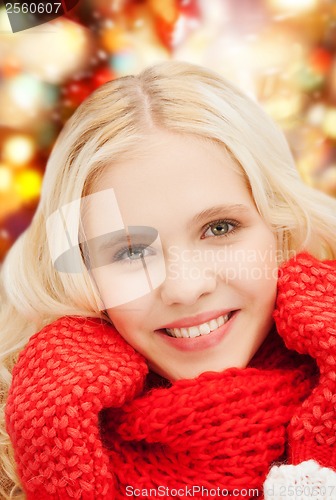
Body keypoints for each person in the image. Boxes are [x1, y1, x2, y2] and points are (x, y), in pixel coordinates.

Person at [1, 61, 336, 500]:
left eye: (219, 228)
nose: (184, 287)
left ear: (278, 225)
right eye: (131, 251)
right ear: (84, 274)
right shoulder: (22, 451)